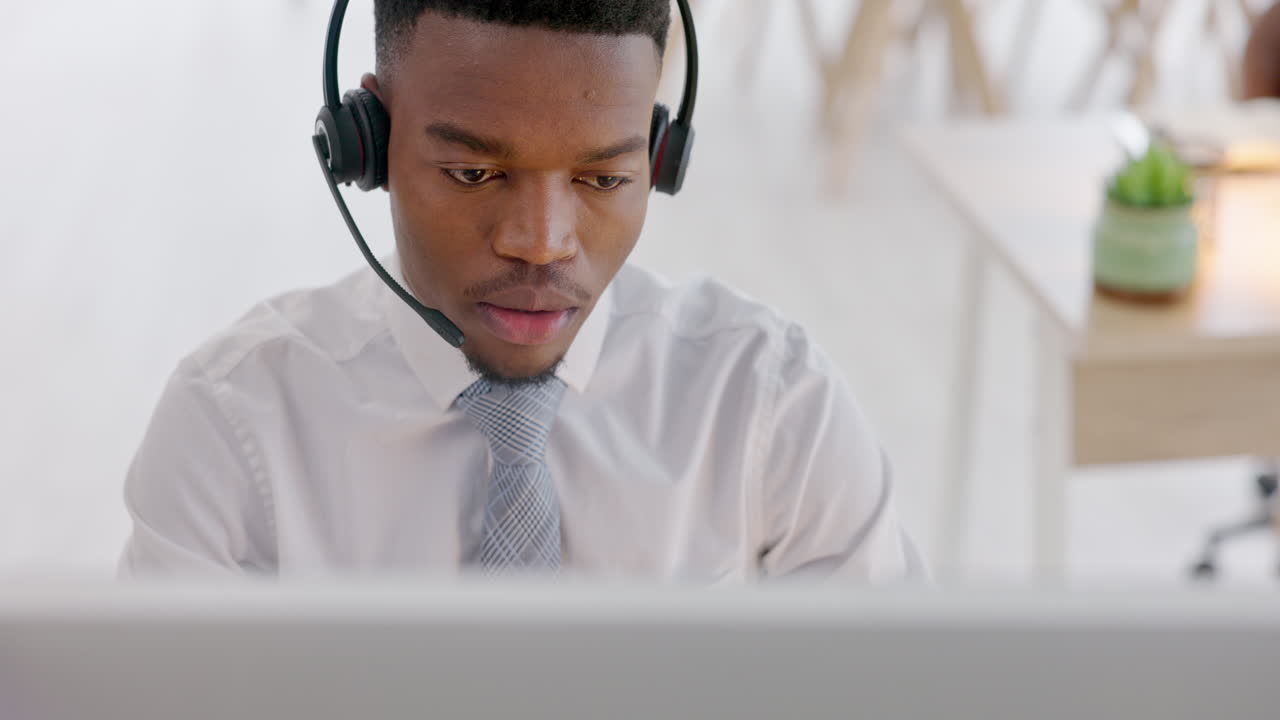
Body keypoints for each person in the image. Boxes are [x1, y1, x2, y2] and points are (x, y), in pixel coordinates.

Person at [118, 0, 925, 581]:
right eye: (473, 172)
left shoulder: (768, 406)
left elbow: (902, 689)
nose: (540, 241)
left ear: (659, 160)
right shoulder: (234, 426)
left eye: (604, 177)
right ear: (366, 146)